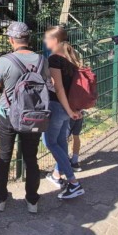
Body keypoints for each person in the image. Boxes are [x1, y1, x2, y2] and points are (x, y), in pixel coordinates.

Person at [0, 22, 49, 213]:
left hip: (8, 114)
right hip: (33, 114)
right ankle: (32, 201)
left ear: (11, 40)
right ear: (28, 39)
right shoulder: (42, 60)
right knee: (31, 158)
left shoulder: (5, 61)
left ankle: (1, 199)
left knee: (4, 156)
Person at [41, 26, 85, 199]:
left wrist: (69, 110)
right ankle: (57, 175)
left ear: (55, 41)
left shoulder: (54, 59)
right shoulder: (71, 57)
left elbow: (58, 88)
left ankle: (74, 183)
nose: (45, 42)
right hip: (68, 107)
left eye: (47, 39)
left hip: (58, 106)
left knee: (50, 142)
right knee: (60, 140)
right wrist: (73, 110)